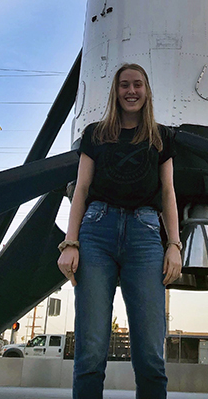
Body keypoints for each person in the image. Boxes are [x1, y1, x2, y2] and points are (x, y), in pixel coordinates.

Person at [58, 63, 182, 399]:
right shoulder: (96, 134)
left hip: (145, 235)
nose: (131, 91)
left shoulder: (160, 137)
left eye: (137, 85)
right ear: (115, 91)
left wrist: (174, 244)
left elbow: (168, 191)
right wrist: (71, 243)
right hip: (97, 232)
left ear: (146, 90)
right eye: (124, 85)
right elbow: (81, 189)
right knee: (91, 349)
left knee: (150, 353)